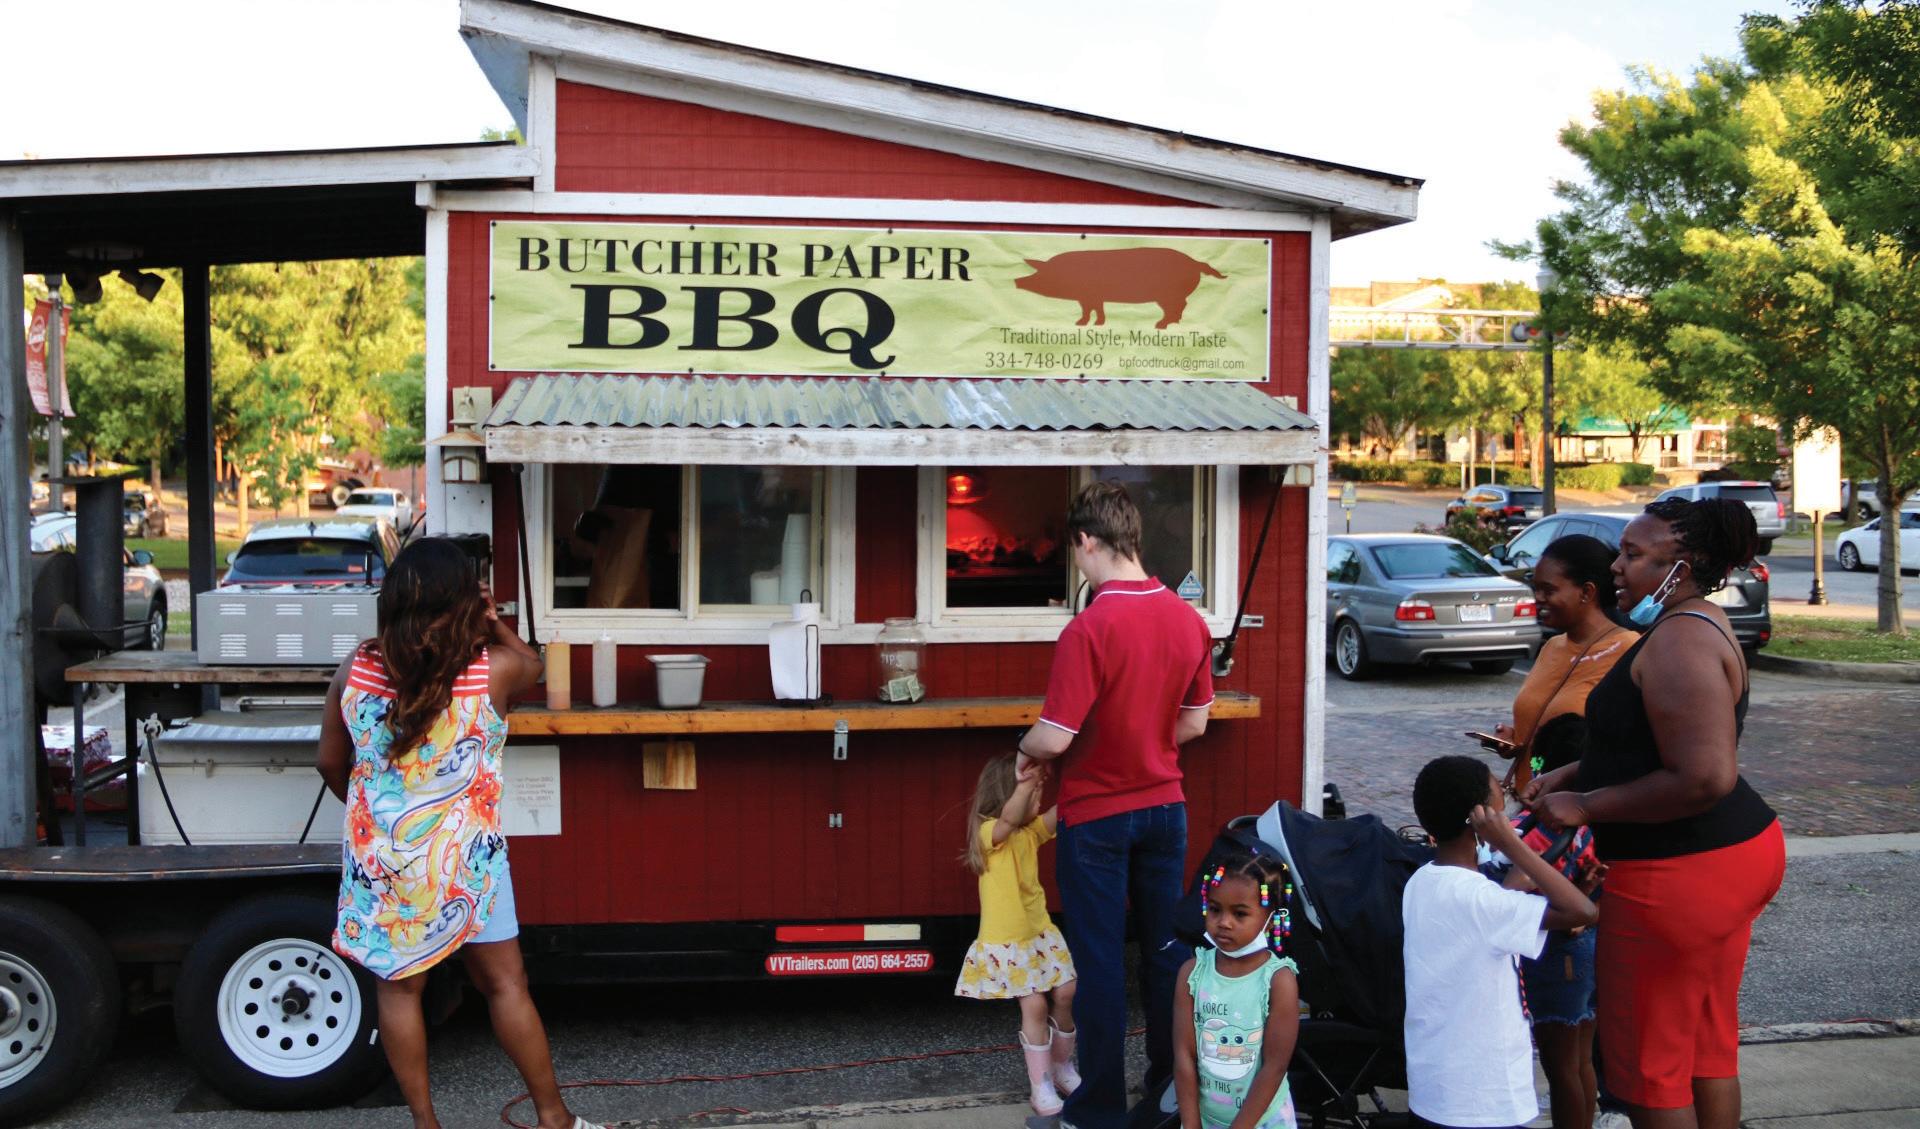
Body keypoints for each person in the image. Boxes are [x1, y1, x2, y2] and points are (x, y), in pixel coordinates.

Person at [317, 538, 599, 1129]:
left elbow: (328, 763)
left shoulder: (354, 670)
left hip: (386, 865)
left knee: (400, 993)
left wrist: (372, 818)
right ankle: (554, 1117)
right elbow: (534, 664)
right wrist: (493, 622)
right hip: (470, 863)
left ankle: (426, 1124)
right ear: (464, 602)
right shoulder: (491, 672)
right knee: (506, 986)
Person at [1527, 498, 1784, 1129]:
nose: (1616, 566)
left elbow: (1704, 775)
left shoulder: (1680, 641)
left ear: (1681, 568)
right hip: (1720, 856)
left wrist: (1586, 804)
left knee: (1647, 1067)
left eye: (1634, 554)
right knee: (1702, 1045)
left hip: (1681, 871)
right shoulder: (1693, 623)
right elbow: (1652, 743)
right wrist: (1576, 772)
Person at [1017, 481, 1215, 1129]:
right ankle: (1166, 1091)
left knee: (1100, 963)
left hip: (1097, 815)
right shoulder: (1188, 619)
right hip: (1166, 809)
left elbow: (1055, 735)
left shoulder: (1089, 628)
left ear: (1085, 540)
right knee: (1165, 952)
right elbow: (1196, 722)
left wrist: (1024, 749)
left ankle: (1098, 1109)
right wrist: (1149, 741)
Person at [1405, 756, 1598, 1129]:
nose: (1508, 815)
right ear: (1479, 821)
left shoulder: (1421, 881)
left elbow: (1480, 922)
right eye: (1500, 806)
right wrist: (1512, 846)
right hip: (1484, 1100)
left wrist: (1511, 885)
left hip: (1435, 1089)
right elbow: (1582, 911)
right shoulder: (1486, 902)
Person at [1489, 714, 1608, 1129]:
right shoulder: (1596, 817)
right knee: (1580, 1062)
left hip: (1558, 956)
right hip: (1589, 948)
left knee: (1561, 1069)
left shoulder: (1546, 828)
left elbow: (1514, 887)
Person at [955, 753, 1080, 1116]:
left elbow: (1060, 813)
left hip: (1039, 933)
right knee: (1035, 1005)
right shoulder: (989, 834)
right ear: (1008, 795)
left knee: (1067, 991)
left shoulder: (1029, 833)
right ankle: (1040, 1086)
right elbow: (1009, 818)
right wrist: (1026, 785)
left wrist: (1078, 782)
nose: (1039, 799)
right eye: (1032, 794)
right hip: (1009, 942)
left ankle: (1061, 1066)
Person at [1489, 534, 1635, 795]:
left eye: (1549, 590)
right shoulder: (1552, 647)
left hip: (1580, 806)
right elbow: (1542, 736)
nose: (1538, 598)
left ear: (1587, 592)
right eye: (1535, 588)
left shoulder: (1628, 649)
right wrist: (1516, 741)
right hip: (1529, 801)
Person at [1173, 850, 1301, 1129]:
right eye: (1215, 909)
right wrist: (1191, 1124)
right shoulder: (1192, 974)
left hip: (1264, 1122)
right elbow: (1184, 1055)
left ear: (1271, 918)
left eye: (1240, 913)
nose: (1224, 922)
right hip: (1204, 1119)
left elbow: (1275, 1066)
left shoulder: (1278, 981)